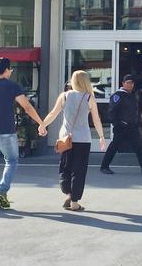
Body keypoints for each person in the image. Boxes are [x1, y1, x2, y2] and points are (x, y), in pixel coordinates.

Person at [0, 57, 46, 211]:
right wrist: (41, 123)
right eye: (11, 70)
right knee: (12, 161)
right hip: (7, 131)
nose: (11, 72)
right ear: (6, 70)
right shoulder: (13, 86)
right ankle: (2, 190)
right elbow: (27, 107)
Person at [39, 70, 106, 212]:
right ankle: (75, 202)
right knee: (79, 170)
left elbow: (53, 113)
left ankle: (68, 193)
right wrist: (101, 136)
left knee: (65, 167)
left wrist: (43, 125)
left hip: (65, 138)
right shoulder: (89, 97)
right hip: (83, 139)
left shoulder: (64, 96)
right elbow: (96, 119)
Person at [100, 74, 142, 175]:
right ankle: (104, 166)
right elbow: (112, 111)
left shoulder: (131, 95)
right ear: (123, 83)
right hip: (121, 127)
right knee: (114, 146)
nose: (130, 85)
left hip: (132, 126)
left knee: (139, 147)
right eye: (128, 83)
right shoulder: (118, 95)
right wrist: (117, 123)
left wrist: (138, 121)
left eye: (132, 83)